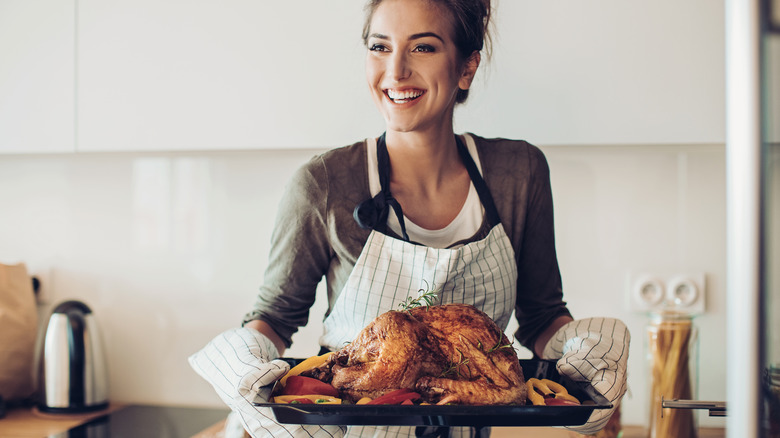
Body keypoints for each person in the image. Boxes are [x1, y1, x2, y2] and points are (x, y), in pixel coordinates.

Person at [189, 0, 630, 437]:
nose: (395, 71)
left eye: (422, 48)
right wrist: (245, 366)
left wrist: (586, 353)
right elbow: (274, 317)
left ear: (466, 67)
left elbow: (542, 316)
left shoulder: (517, 172)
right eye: (380, 47)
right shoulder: (325, 183)